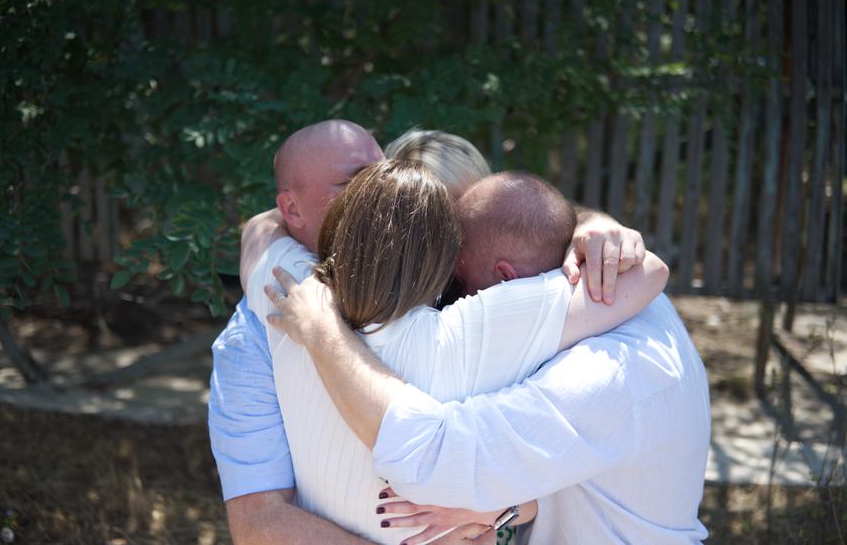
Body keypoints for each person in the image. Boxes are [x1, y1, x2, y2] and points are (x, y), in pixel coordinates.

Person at [209, 122, 652, 544]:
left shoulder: (292, 293)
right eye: (358, 182)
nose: (448, 249)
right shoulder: (264, 323)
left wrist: (592, 227)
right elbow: (259, 524)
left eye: (463, 227)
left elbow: (539, 466)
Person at [263, 189, 711, 544]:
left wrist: (323, 331)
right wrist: (507, 506)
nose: (441, 299)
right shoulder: (611, 293)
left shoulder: (603, 373)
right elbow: (593, 475)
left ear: (507, 281)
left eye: (454, 281)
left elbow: (430, 461)